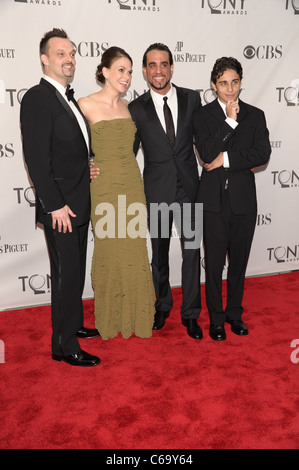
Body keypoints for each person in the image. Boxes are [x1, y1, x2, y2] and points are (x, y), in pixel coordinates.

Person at [20, 28, 100, 367]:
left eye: (71, 53)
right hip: (61, 208)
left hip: (78, 202)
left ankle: (75, 325)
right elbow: (37, 160)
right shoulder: (39, 98)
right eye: (60, 54)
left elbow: (69, 149)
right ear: (44, 59)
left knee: (75, 271)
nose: (69, 59)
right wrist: (54, 205)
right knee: (66, 274)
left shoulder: (66, 97)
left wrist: (88, 164)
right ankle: (64, 346)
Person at [78, 47, 155, 340]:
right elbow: (69, 146)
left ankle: (137, 316)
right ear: (105, 71)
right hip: (104, 186)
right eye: (121, 70)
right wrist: (84, 165)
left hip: (132, 184)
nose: (127, 76)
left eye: (130, 71)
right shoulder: (84, 104)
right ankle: (110, 319)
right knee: (110, 248)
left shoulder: (129, 107)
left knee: (134, 248)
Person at [193, 57, 271, 341]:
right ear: (214, 85)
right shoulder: (202, 116)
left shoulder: (256, 114)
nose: (230, 89)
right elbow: (206, 152)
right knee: (213, 265)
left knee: (238, 263)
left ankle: (234, 314)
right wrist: (229, 121)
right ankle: (215, 319)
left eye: (234, 82)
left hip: (243, 203)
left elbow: (262, 154)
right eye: (223, 83)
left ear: (241, 82)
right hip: (212, 203)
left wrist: (226, 159)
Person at [128, 43, 203, 340]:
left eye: (163, 64)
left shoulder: (192, 99)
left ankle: (191, 314)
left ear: (172, 67)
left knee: (192, 252)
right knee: (159, 254)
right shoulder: (136, 108)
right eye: (152, 65)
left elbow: (204, 139)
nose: (158, 70)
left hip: (189, 190)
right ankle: (162, 306)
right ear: (145, 71)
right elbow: (129, 152)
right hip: (157, 191)